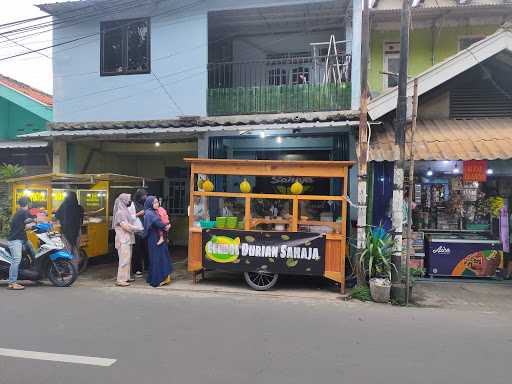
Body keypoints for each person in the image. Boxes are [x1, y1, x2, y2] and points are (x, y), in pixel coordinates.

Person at [6, 196, 36, 290]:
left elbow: (32, 218)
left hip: (22, 239)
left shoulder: (22, 212)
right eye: (30, 202)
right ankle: (12, 283)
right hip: (16, 240)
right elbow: (28, 224)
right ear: (28, 203)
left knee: (32, 249)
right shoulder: (23, 212)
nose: (31, 204)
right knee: (16, 260)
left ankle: (35, 271)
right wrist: (33, 225)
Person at [143, 196, 172, 287]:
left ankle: (162, 277)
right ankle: (158, 278)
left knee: (161, 257)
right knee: (157, 258)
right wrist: (165, 226)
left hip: (156, 237)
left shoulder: (153, 211)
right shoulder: (149, 213)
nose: (157, 204)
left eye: (157, 202)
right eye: (154, 203)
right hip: (154, 238)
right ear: (150, 204)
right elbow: (157, 222)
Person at [112, 193, 140, 287]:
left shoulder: (125, 211)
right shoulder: (120, 213)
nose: (129, 201)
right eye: (128, 199)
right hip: (123, 240)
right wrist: (137, 228)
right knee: (124, 260)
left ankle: (126, 277)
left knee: (128, 258)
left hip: (128, 239)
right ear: (123, 201)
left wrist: (134, 228)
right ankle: (120, 279)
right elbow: (125, 226)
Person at [55, 191, 84, 270]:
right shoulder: (79, 208)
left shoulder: (63, 206)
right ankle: (75, 269)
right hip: (77, 231)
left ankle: (69, 270)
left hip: (66, 232)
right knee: (75, 249)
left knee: (67, 251)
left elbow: (56, 216)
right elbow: (81, 221)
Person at [132, 188, 148, 277]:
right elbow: (130, 217)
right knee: (136, 251)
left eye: (145, 195)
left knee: (146, 250)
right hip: (136, 231)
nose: (145, 197)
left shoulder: (146, 204)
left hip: (144, 230)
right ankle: (137, 270)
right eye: (143, 195)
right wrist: (139, 213)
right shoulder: (133, 205)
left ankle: (147, 267)